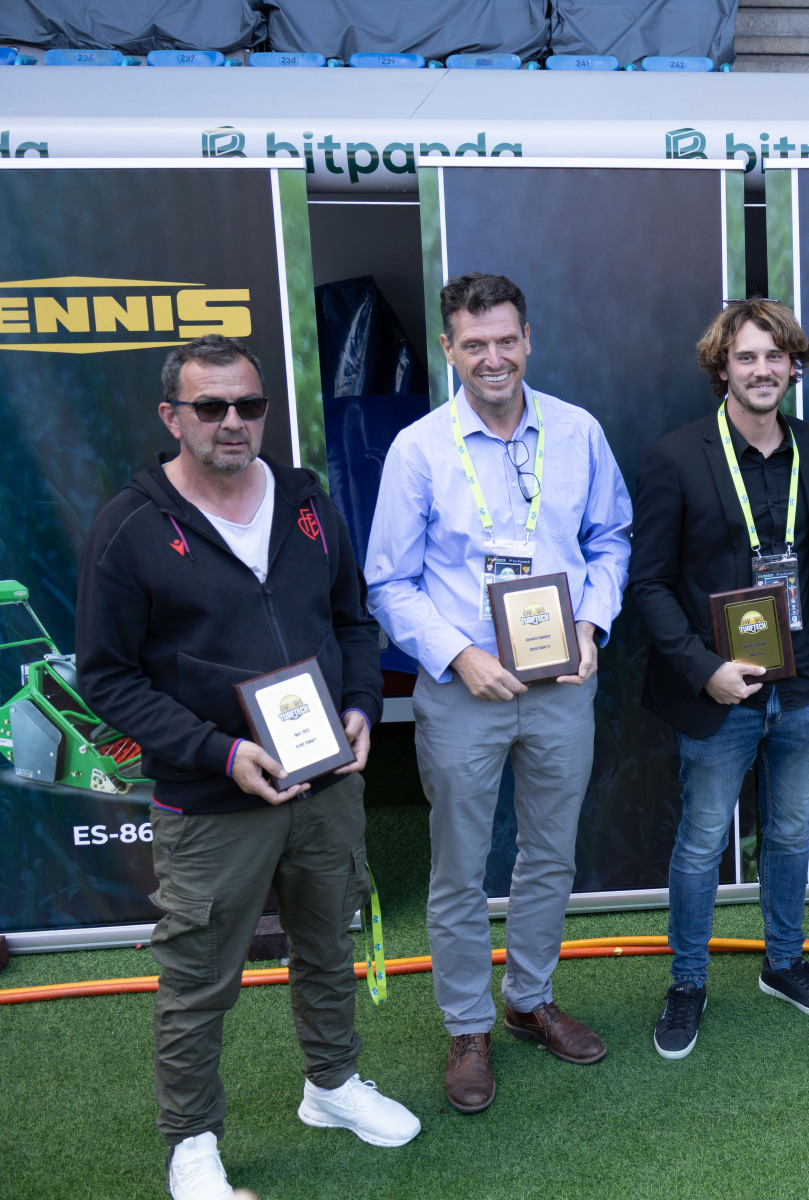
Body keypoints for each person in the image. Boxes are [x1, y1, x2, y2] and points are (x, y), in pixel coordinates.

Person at [77, 335, 417, 1200]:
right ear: (172, 416)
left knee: (326, 944)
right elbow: (106, 678)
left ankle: (331, 1084)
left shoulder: (307, 504)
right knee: (198, 980)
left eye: (249, 404)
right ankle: (191, 1140)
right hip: (212, 796)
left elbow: (352, 623)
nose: (233, 421)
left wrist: (360, 705)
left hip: (325, 780)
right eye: (210, 406)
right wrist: (219, 751)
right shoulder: (131, 527)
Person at [364, 274, 632, 1114]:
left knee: (550, 853)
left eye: (506, 340)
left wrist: (591, 624)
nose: (493, 357)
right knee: (459, 866)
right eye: (474, 343)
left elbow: (611, 538)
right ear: (448, 349)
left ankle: (528, 1000)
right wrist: (458, 654)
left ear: (528, 341)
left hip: (562, 682)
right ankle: (467, 1026)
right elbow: (387, 581)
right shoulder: (419, 450)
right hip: (464, 690)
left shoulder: (578, 432)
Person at [629, 298, 809, 1059]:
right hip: (722, 693)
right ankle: (687, 981)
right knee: (701, 843)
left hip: (806, 686)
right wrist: (706, 670)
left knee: (790, 833)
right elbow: (648, 583)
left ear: (794, 366)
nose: (762, 370)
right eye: (747, 357)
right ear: (722, 367)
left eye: (775, 356)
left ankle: (784, 963)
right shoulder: (674, 456)